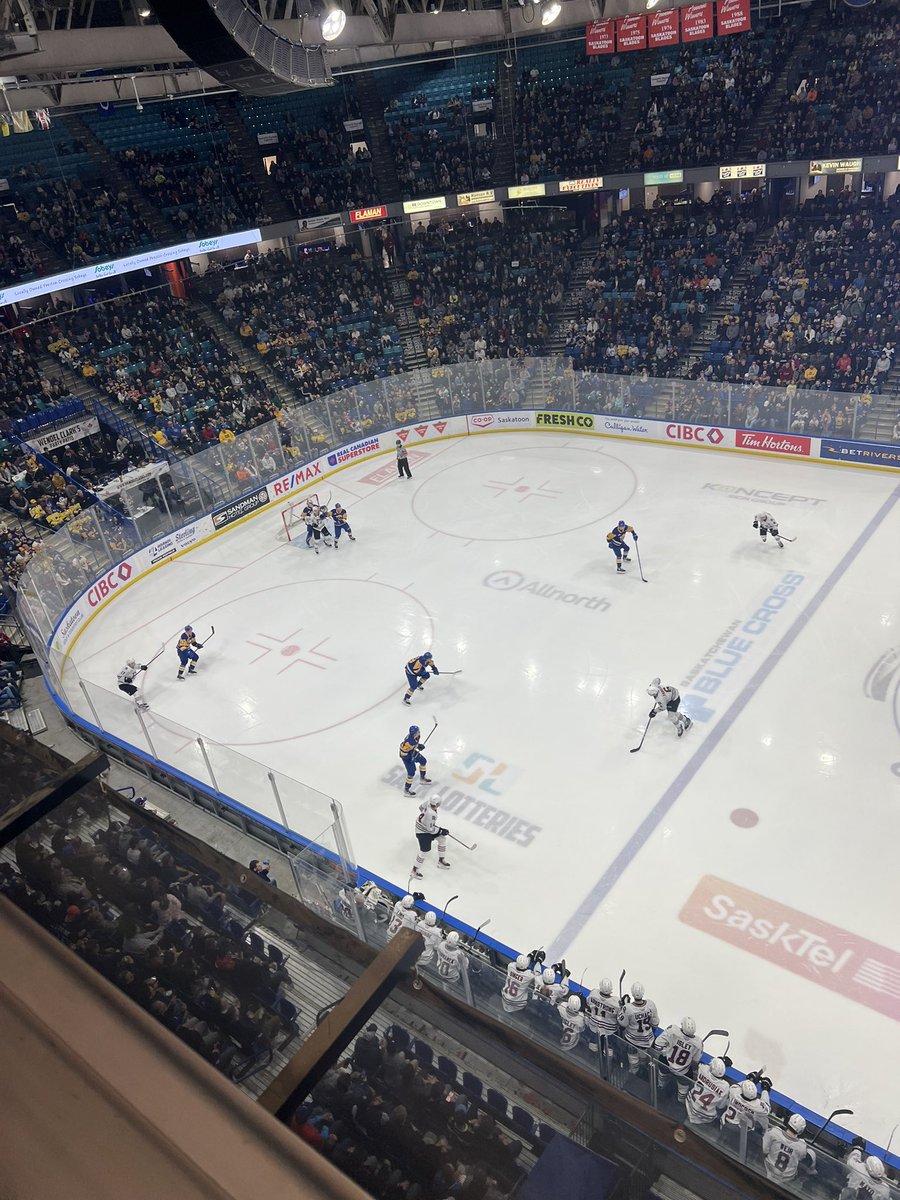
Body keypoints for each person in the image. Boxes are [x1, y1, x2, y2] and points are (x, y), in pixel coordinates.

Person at [653, 1017, 703, 1100]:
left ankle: (660, 1088)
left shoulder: (673, 1030)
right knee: (683, 1091)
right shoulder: (698, 1043)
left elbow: (657, 1045)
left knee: (662, 1078)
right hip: (683, 1072)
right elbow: (695, 1062)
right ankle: (680, 1101)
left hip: (666, 1064)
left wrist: (666, 1052)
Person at [762, 1114, 816, 1185]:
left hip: (768, 1168)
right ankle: (811, 1171)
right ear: (801, 1131)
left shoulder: (774, 1132)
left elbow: (764, 1150)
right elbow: (800, 1158)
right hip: (787, 1178)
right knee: (811, 1153)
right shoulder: (802, 1146)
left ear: (788, 1123)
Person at [617, 981, 659, 1074]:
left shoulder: (628, 1008)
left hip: (632, 1040)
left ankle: (634, 1074)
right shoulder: (650, 1004)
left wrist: (622, 1007)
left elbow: (622, 1023)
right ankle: (642, 1071)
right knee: (643, 1059)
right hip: (647, 1040)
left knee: (633, 1061)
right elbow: (655, 1023)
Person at [410, 796, 450, 879]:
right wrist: (440, 831)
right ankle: (414, 870)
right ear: (438, 804)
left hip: (424, 828)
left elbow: (420, 807)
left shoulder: (428, 803)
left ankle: (441, 861)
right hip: (422, 832)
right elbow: (430, 830)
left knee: (442, 839)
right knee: (424, 851)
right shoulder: (432, 814)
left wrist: (426, 821)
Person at [684, 1057, 732, 1125]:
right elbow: (720, 1106)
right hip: (706, 1116)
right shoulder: (725, 1086)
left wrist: (720, 1062)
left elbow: (708, 1066)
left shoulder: (702, 1069)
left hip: (690, 1104)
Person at [585, 977, 621, 1056]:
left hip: (594, 1026)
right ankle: (608, 1064)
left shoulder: (593, 994)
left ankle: (592, 1060)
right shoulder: (616, 1003)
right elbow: (620, 1018)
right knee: (609, 1052)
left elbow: (588, 1003)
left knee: (593, 1046)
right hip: (609, 1030)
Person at [399, 725, 431, 796]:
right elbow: (414, 745)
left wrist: (418, 746)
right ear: (414, 734)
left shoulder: (415, 737)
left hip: (410, 751)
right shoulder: (410, 741)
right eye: (418, 732)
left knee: (423, 761)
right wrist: (419, 746)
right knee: (411, 773)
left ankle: (422, 778)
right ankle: (406, 790)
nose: (419, 732)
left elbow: (415, 745)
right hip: (406, 756)